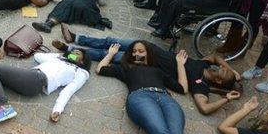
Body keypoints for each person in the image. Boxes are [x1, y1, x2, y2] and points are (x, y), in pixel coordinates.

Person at [56, 30, 241, 115]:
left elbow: (205, 108)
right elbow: (216, 57)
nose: (222, 68)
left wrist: (226, 98)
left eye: (224, 73)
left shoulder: (200, 86)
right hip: (146, 47)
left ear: (217, 81)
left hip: (143, 60)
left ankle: (69, 49)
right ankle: (77, 37)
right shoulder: (206, 64)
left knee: (109, 54)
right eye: (224, 68)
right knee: (112, 41)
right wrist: (233, 71)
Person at [97, 41, 189, 134]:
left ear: (148, 54)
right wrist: (111, 54)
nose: (137, 54)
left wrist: (180, 64)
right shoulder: (127, 68)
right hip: (141, 97)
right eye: (134, 51)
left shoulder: (158, 70)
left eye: (141, 51)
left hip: (166, 99)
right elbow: (100, 69)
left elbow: (183, 88)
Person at [0, 50, 91, 125]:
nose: (73, 52)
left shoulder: (80, 72)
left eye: (78, 53)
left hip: (36, 79)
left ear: (82, 60)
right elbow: (38, 56)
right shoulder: (59, 59)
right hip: (29, 81)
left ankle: (4, 106)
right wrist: (58, 55)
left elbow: (68, 92)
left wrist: (58, 109)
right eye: (73, 51)